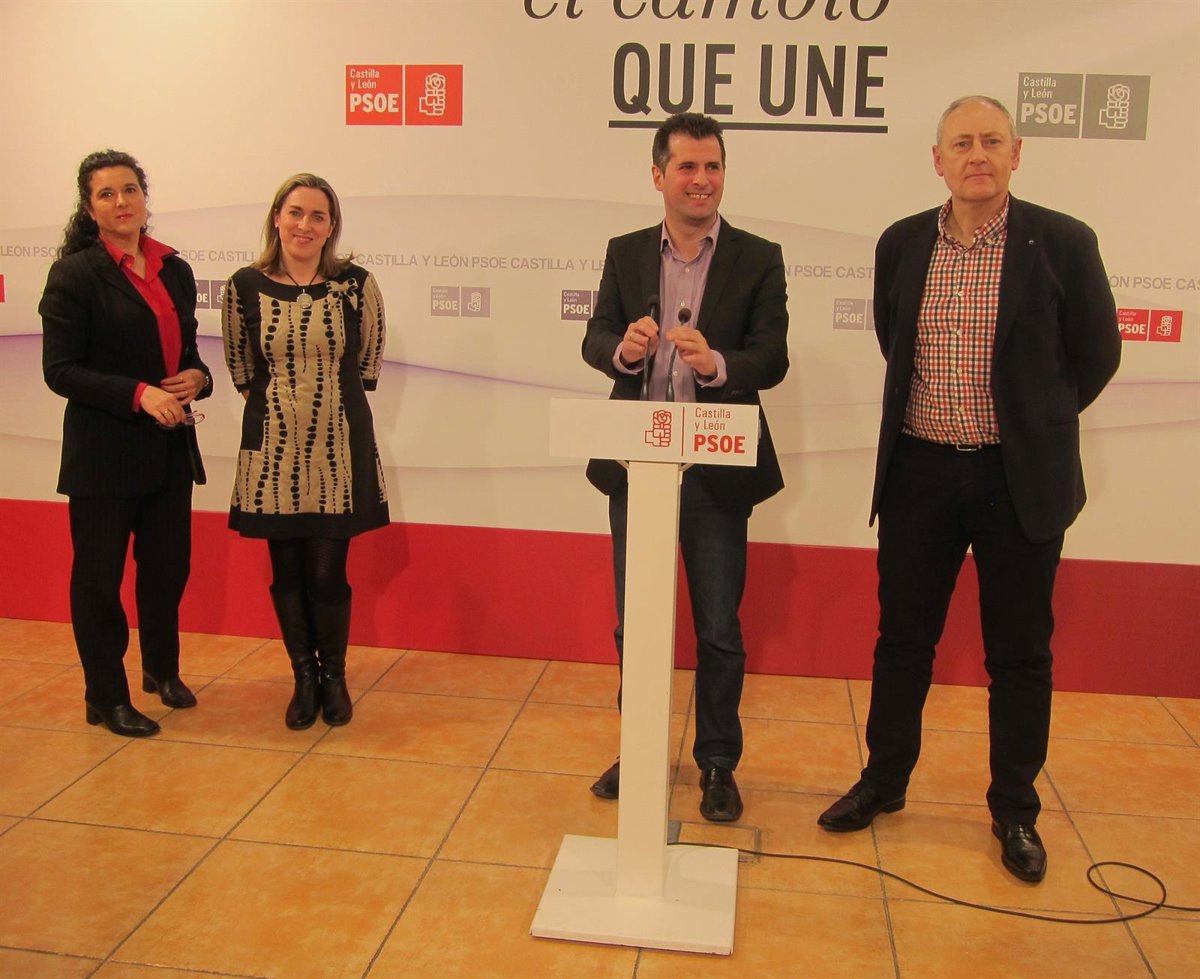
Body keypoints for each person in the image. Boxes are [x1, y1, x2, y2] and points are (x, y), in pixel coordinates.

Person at [817, 96, 1122, 882]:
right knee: (902, 640)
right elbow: (893, 338)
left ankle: (1015, 809)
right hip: (919, 471)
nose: (976, 155)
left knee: (1019, 652)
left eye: (991, 141)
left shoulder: (1062, 241)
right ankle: (884, 781)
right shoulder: (902, 242)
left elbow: (1096, 354)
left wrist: (1035, 423)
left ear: (1016, 153)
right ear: (938, 159)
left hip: (1016, 476)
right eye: (961, 143)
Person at [582, 113, 789, 822]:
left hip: (715, 470)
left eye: (713, 167)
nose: (702, 180)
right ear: (659, 176)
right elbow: (595, 337)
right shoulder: (626, 252)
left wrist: (718, 363)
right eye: (687, 167)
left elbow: (773, 356)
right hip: (638, 464)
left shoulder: (759, 256)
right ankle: (639, 748)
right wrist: (625, 350)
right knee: (635, 626)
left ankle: (718, 762)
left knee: (718, 627)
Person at [40, 149, 211, 737]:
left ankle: (161, 671)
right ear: (89, 209)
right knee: (99, 584)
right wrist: (138, 393)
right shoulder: (75, 274)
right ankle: (105, 696)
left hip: (169, 451)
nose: (121, 202)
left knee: (167, 572)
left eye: (130, 190)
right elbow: (60, 370)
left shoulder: (173, 268)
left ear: (144, 196)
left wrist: (197, 378)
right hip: (103, 457)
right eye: (107, 194)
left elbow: (188, 351)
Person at [222, 174, 388, 730]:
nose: (305, 225)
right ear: (277, 218)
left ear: (331, 226)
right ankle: (304, 679)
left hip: (339, 448)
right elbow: (241, 368)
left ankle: (334, 677)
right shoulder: (243, 286)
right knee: (287, 571)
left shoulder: (356, 285)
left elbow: (367, 362)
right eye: (295, 212)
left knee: (326, 572)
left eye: (318, 216)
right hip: (272, 451)